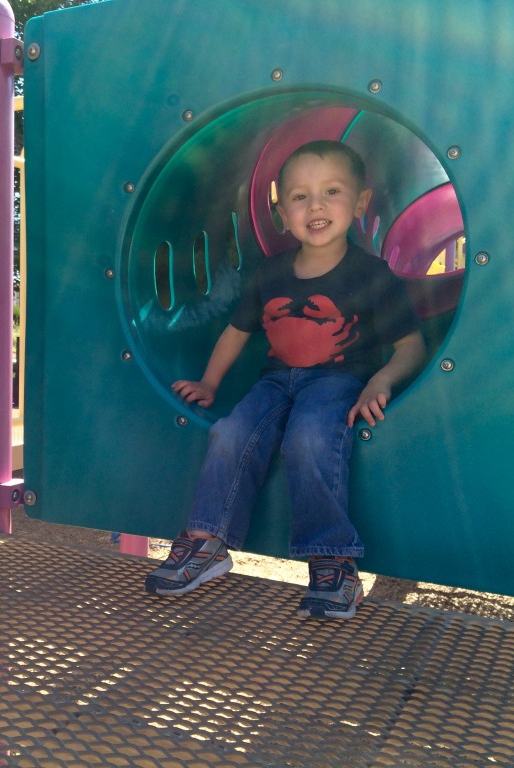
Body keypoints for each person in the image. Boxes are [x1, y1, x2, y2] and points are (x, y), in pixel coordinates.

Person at [145, 140, 426, 619]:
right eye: (300, 196)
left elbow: (412, 347)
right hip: (276, 381)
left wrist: (381, 380)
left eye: (331, 191)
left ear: (360, 203)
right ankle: (207, 541)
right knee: (229, 432)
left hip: (339, 381)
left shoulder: (372, 276)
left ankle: (332, 562)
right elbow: (236, 333)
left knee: (311, 438)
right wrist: (210, 383)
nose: (315, 205)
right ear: (280, 212)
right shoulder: (270, 273)